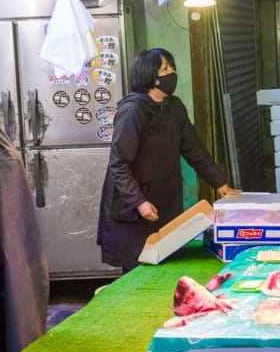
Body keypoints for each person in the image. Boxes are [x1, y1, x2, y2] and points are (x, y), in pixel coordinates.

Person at [97, 48, 238, 271]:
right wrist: (139, 202)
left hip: (164, 202)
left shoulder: (174, 107)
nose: (171, 73)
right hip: (133, 209)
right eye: (165, 69)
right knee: (137, 271)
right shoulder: (133, 110)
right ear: (150, 76)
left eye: (172, 67)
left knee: (166, 265)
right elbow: (119, 164)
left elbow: (194, 150)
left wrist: (220, 184)